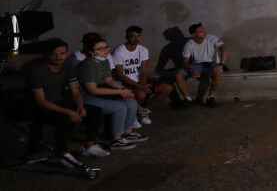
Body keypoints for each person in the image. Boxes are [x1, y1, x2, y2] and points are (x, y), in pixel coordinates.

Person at [24, 38, 107, 166]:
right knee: (63, 117)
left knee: (95, 111)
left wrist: (80, 106)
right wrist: (68, 111)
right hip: (43, 106)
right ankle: (63, 154)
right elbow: (41, 101)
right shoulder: (37, 71)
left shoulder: (68, 67)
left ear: (67, 53)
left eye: (62, 53)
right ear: (47, 54)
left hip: (61, 102)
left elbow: (75, 91)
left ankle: (89, 146)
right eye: (54, 54)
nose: (58, 57)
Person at [76, 37, 148, 150]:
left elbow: (108, 80)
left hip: (99, 93)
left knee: (130, 101)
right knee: (119, 107)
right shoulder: (87, 65)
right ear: (91, 52)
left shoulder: (104, 61)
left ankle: (128, 133)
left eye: (106, 47)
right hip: (85, 97)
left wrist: (124, 88)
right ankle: (116, 140)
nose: (105, 51)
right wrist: (119, 92)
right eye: (100, 49)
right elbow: (92, 90)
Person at [111, 25, 173, 125]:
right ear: (126, 37)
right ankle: (132, 114)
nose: (136, 39)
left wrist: (143, 85)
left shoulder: (143, 50)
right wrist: (140, 87)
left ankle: (144, 111)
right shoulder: (119, 51)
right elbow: (120, 75)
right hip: (125, 83)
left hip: (139, 82)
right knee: (141, 94)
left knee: (167, 88)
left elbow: (143, 72)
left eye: (139, 36)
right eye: (133, 36)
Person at [174, 23, 227, 107]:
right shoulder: (189, 43)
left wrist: (221, 64)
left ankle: (211, 98)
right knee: (178, 75)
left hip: (211, 64)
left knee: (218, 71)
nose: (204, 32)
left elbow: (224, 49)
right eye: (200, 31)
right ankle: (188, 99)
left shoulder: (211, 38)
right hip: (195, 65)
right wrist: (191, 70)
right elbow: (185, 62)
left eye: (204, 30)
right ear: (194, 34)